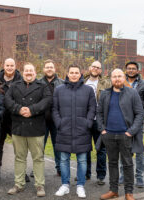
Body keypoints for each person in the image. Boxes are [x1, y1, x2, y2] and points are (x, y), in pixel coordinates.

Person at [6, 63, 51, 197]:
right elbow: (7, 100)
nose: (29, 73)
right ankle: (19, 184)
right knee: (19, 157)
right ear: (23, 72)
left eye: (31, 71)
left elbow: (48, 100)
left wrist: (32, 110)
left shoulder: (43, 86)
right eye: (26, 71)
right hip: (18, 127)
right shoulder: (14, 85)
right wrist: (18, 109)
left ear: (35, 72)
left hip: (36, 127)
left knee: (38, 158)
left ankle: (39, 185)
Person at [97, 69, 144, 200]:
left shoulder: (132, 93)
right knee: (112, 163)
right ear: (110, 78)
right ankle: (113, 190)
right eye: (114, 76)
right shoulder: (105, 94)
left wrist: (131, 131)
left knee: (127, 164)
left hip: (126, 136)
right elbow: (99, 113)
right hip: (109, 136)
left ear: (124, 77)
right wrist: (102, 130)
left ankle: (129, 193)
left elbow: (140, 114)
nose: (117, 78)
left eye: (119, 76)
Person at [53, 65, 96, 198]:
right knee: (64, 159)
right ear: (67, 74)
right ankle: (65, 185)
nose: (74, 75)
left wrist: (87, 123)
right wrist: (59, 123)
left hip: (82, 130)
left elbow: (92, 108)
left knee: (82, 160)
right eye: (71, 72)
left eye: (76, 73)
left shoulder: (88, 90)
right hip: (64, 129)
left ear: (80, 74)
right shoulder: (59, 90)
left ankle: (80, 185)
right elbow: (54, 109)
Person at [118, 61, 144, 188]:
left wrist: (143, 119)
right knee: (124, 150)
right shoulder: (121, 83)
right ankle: (123, 176)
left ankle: (139, 177)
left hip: (138, 122)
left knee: (139, 151)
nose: (131, 70)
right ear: (126, 70)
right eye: (129, 68)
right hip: (123, 122)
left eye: (133, 68)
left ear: (137, 70)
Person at [0, 58, 22, 179]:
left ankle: (21, 171)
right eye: (7, 65)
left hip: (15, 119)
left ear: (15, 66)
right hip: (0, 119)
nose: (9, 67)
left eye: (12, 65)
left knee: (19, 147)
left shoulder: (21, 80)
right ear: (3, 66)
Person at [84, 61, 111, 185]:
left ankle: (101, 176)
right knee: (85, 148)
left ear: (101, 71)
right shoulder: (82, 82)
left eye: (98, 67)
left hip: (100, 121)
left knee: (101, 148)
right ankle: (86, 174)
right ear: (90, 68)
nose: (95, 69)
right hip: (84, 120)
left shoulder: (106, 83)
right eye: (93, 66)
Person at [39, 59, 63, 176]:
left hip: (57, 120)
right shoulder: (38, 83)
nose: (49, 69)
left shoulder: (62, 83)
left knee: (57, 145)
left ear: (55, 69)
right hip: (41, 120)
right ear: (44, 69)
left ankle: (59, 168)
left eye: (51, 67)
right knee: (39, 145)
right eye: (47, 67)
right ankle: (36, 168)